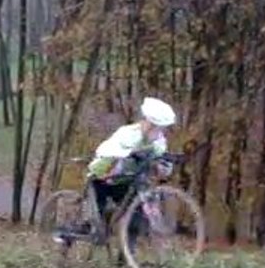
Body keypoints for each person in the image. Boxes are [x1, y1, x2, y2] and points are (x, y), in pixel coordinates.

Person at [56, 96, 178, 245]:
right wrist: (127, 155)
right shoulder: (127, 133)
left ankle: (127, 256)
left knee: (136, 217)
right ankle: (87, 228)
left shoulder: (159, 142)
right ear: (146, 121)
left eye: (160, 127)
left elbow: (161, 166)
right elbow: (108, 153)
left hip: (128, 182)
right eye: (154, 125)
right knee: (97, 216)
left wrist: (164, 166)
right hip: (104, 177)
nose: (157, 130)